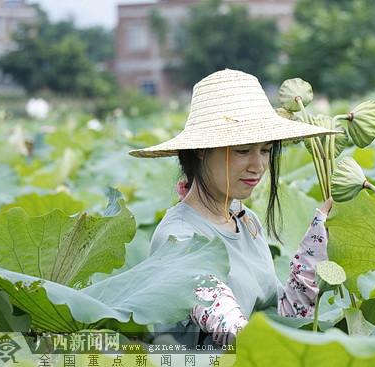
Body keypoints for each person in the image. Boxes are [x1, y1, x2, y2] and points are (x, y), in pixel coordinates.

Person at [129, 68, 341, 346]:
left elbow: (284, 315)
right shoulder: (178, 237)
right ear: (201, 150)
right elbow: (234, 332)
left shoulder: (246, 221)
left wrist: (317, 238)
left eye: (265, 150)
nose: (258, 166)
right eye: (243, 150)